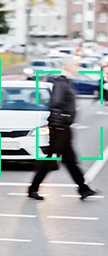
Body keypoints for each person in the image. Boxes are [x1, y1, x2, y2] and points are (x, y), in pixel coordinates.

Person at [27, 58, 98, 201]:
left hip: (63, 126)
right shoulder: (61, 82)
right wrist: (62, 119)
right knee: (51, 159)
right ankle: (33, 188)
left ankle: (83, 188)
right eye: (75, 65)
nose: (78, 68)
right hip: (60, 127)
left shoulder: (66, 82)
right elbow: (55, 102)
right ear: (68, 67)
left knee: (70, 160)